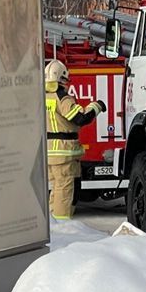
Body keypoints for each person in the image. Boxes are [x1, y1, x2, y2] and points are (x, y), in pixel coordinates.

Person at [44, 58, 103, 221]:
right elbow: (80, 118)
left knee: (56, 189)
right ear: (61, 77)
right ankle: (63, 226)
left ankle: (54, 223)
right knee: (65, 191)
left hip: (51, 152)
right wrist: (96, 106)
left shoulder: (44, 96)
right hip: (64, 152)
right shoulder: (62, 98)